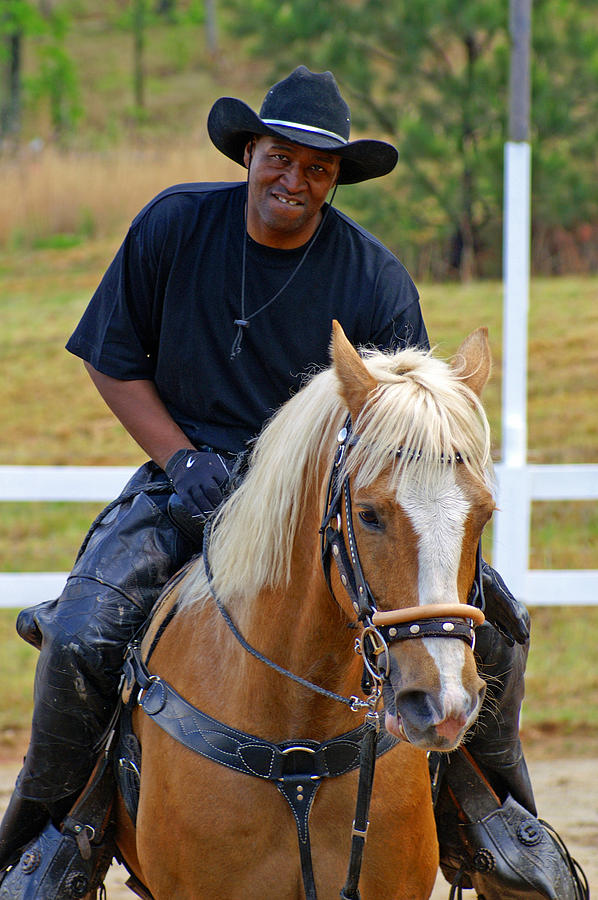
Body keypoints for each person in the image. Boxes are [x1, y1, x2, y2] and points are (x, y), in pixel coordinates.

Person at [0, 66, 586, 899]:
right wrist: (180, 458)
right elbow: (113, 358)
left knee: (496, 627)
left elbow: (409, 419)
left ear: (336, 179)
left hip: (333, 502)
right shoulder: (174, 226)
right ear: (250, 152)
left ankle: (492, 818)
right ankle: (48, 838)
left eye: (318, 168)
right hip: (188, 482)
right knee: (84, 632)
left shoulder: (375, 276)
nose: (295, 180)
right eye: (281, 157)